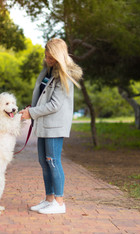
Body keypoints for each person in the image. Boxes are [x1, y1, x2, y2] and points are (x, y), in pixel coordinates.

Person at [20, 38, 83, 214]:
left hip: (54, 126)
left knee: (53, 161)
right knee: (44, 161)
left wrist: (31, 113)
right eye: (46, 55)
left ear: (59, 56)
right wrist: (31, 108)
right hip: (44, 123)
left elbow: (55, 105)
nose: (47, 58)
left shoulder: (64, 75)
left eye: (51, 56)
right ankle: (49, 200)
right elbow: (42, 96)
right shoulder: (47, 71)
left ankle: (59, 203)